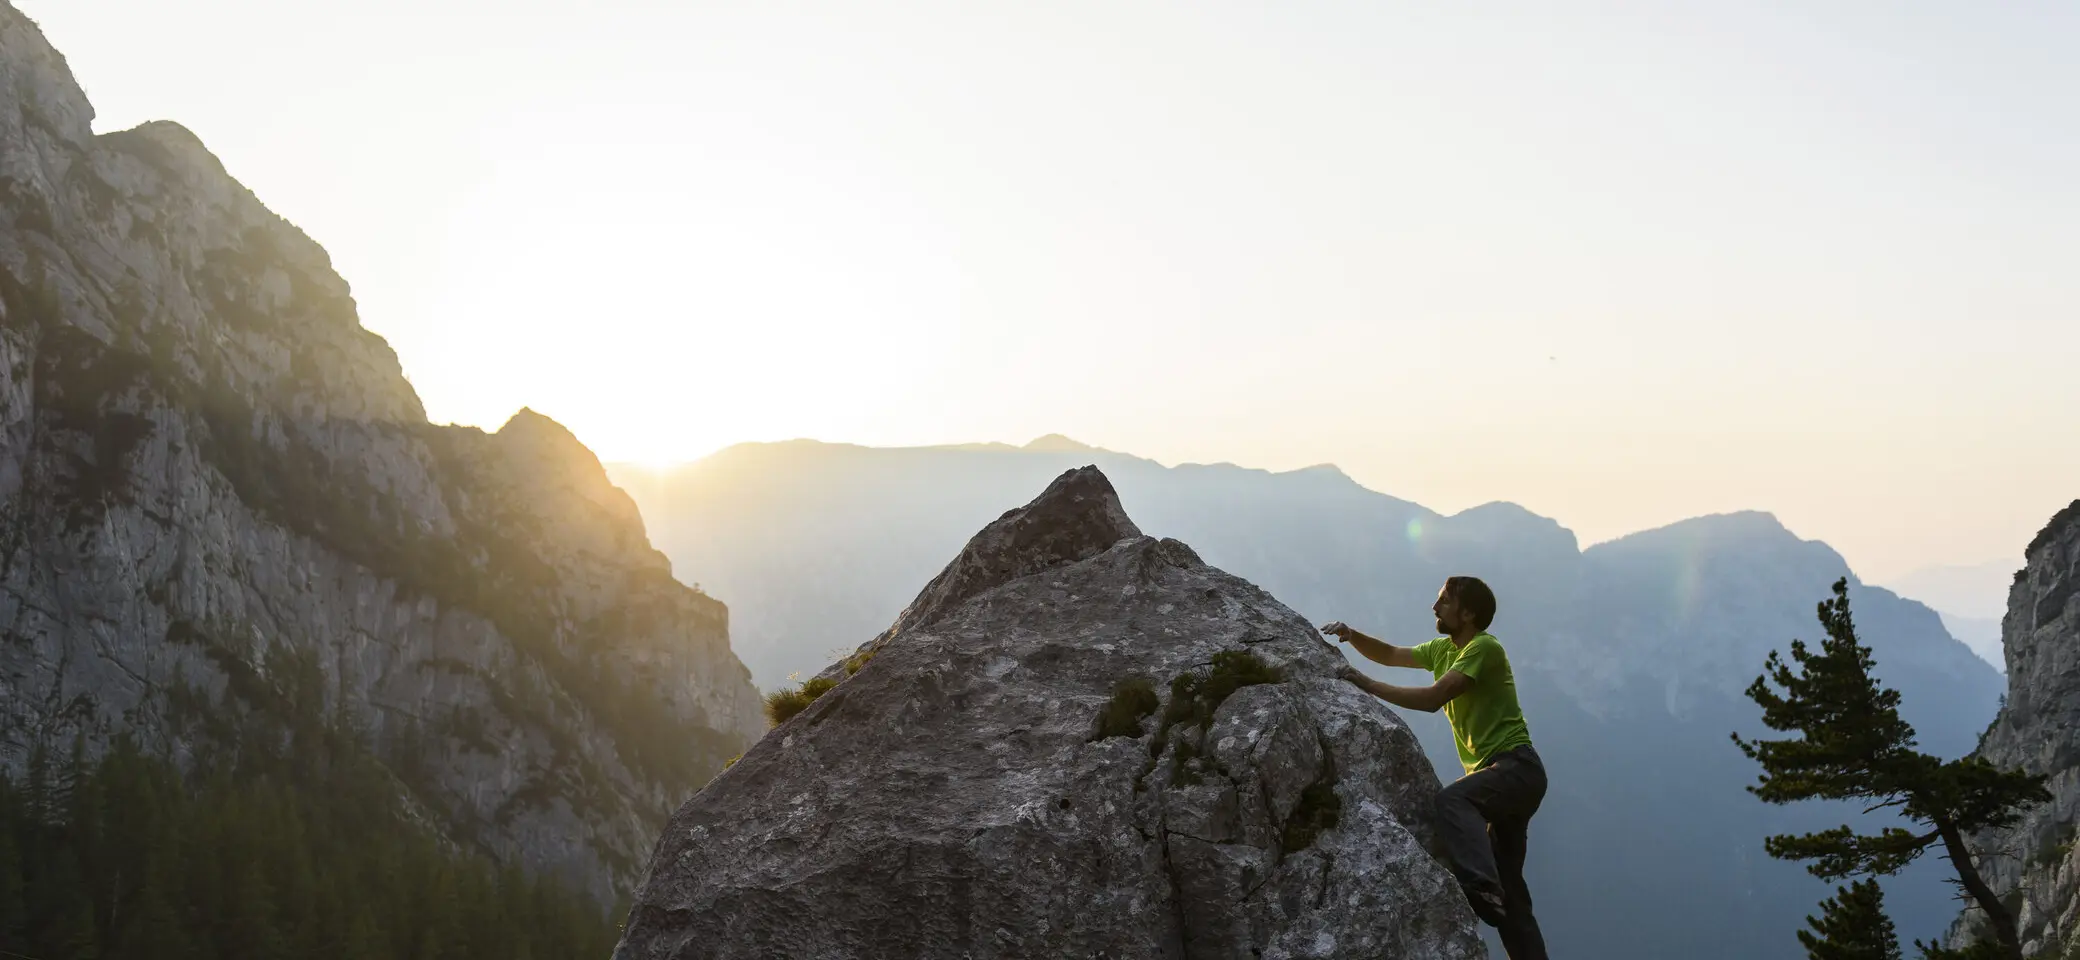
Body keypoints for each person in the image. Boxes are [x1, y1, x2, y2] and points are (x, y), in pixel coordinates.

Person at [1321, 576, 1548, 960]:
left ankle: (1481, 884)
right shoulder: (1443, 650)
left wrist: (1365, 685)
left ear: (1469, 613)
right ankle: (1497, 896)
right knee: (1513, 901)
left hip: (1516, 768)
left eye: (1444, 601)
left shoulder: (1483, 648)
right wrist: (1351, 635)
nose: (1435, 606)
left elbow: (1434, 698)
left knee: (1454, 801)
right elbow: (1392, 653)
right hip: (1503, 777)